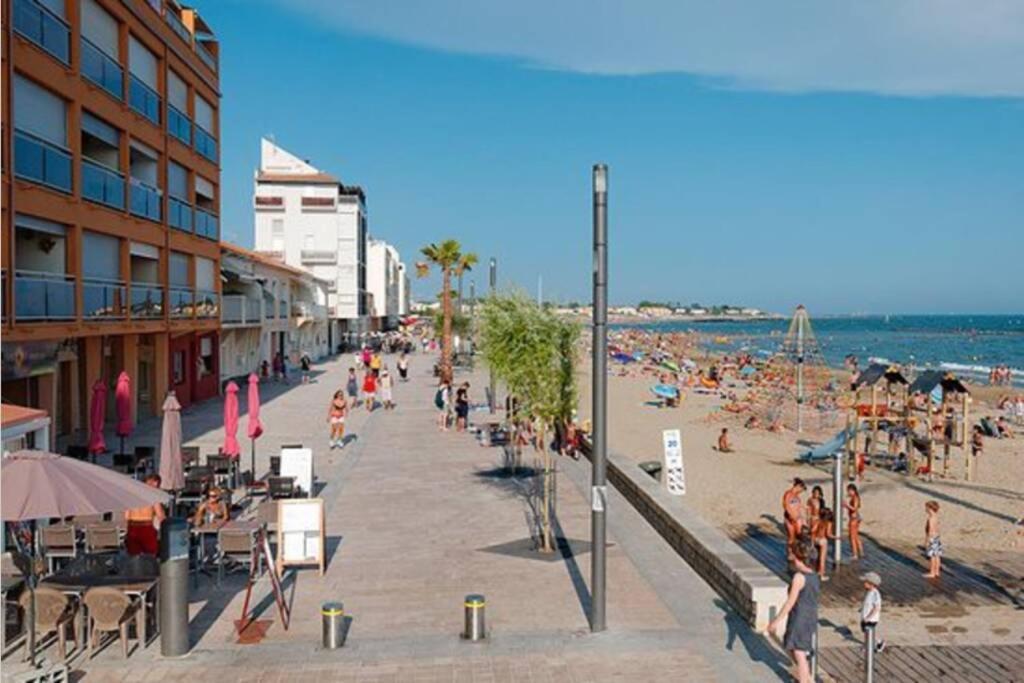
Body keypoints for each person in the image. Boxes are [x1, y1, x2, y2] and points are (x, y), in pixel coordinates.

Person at [766, 535, 820, 683]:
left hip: (799, 617)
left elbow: (790, 602)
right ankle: (808, 678)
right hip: (810, 616)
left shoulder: (799, 577)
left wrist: (775, 622)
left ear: (796, 557)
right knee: (791, 645)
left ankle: (805, 680)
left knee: (798, 652)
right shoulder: (814, 575)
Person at [124, 474, 166, 556]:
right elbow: (160, 516)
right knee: (150, 557)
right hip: (146, 527)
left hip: (132, 527)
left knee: (134, 558)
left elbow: (126, 516)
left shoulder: (131, 495)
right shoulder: (152, 496)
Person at [860, 571, 886, 653]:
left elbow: (876, 608)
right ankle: (871, 643)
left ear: (871, 584)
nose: (864, 584)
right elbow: (868, 603)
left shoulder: (875, 594)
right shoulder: (869, 592)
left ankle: (878, 643)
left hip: (871, 619)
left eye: (865, 582)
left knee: (869, 632)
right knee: (865, 631)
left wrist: (868, 618)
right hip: (865, 617)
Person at [783, 478, 807, 554]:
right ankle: (790, 553)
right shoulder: (788, 494)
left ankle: (797, 551)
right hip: (790, 518)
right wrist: (791, 515)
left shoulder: (797, 496)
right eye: (801, 489)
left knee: (800, 535)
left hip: (797, 518)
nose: (800, 492)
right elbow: (786, 506)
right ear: (798, 486)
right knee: (791, 537)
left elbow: (798, 507)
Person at [924, 500, 942, 579]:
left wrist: (927, 540)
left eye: (926, 508)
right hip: (937, 537)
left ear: (930, 508)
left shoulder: (931, 518)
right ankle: (937, 571)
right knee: (937, 556)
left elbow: (930, 530)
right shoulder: (936, 517)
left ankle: (932, 572)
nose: (925, 509)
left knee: (932, 556)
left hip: (932, 538)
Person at [845, 483, 864, 559]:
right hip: (856, 518)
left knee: (852, 537)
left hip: (854, 519)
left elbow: (854, 508)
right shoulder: (855, 497)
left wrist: (846, 505)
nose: (848, 493)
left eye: (849, 491)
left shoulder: (855, 498)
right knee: (856, 536)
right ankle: (861, 552)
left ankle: (855, 554)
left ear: (853, 490)